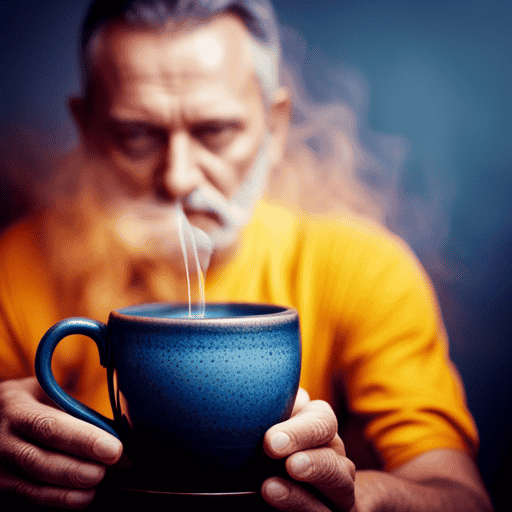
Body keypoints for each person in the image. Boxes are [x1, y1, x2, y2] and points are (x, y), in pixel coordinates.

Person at [0, 1, 493, 510]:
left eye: (215, 131)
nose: (179, 177)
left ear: (274, 128)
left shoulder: (364, 269)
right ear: (89, 131)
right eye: (137, 136)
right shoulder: (17, 269)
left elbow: (461, 497)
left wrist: (356, 499)